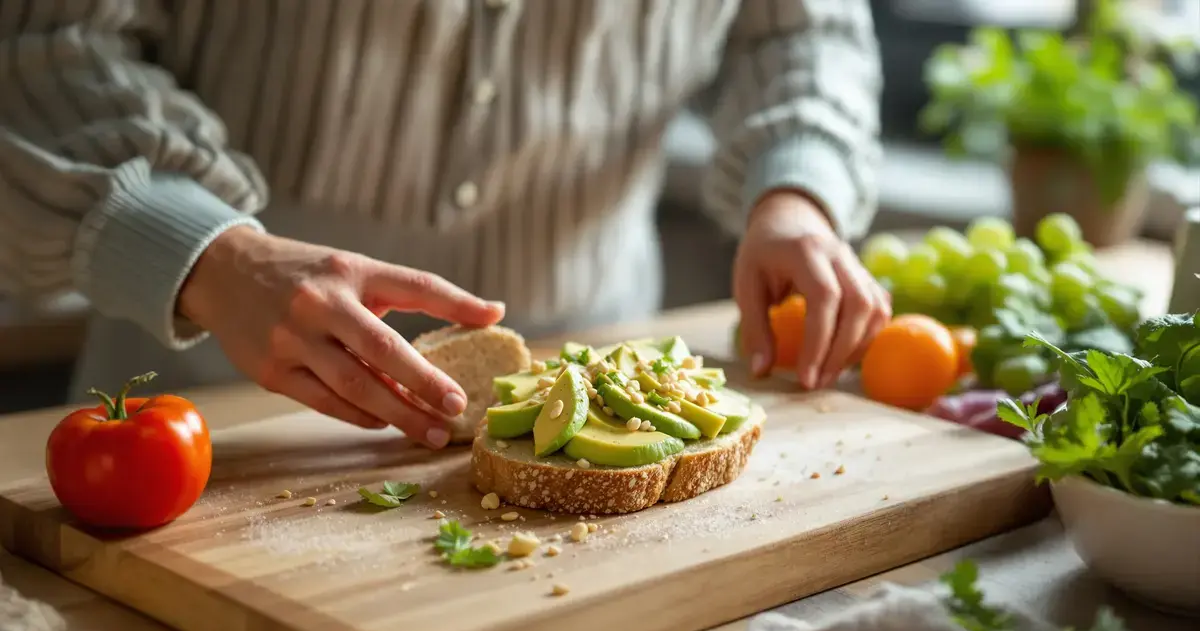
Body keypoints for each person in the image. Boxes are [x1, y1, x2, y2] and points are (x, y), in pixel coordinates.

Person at [0, 0, 888, 449]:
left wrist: (797, 190)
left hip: (601, 339)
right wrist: (211, 252)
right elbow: (47, 46)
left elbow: (801, 33)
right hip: (198, 410)